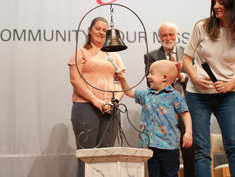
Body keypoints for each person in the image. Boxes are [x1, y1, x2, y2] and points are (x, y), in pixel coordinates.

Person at [182, 0, 235, 177]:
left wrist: (229, 85)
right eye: (214, 2)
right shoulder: (202, 26)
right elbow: (186, 59)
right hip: (197, 95)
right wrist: (195, 79)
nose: (215, 6)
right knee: (202, 151)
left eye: (221, 2)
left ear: (233, 5)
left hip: (227, 96)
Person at [68, 17, 125, 177]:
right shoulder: (81, 51)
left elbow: (122, 83)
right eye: (98, 28)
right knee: (87, 157)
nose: (101, 32)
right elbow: (75, 80)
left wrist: (114, 103)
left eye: (105, 30)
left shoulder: (115, 55)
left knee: (107, 157)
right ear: (90, 30)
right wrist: (96, 101)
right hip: (86, 107)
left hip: (111, 110)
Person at [118, 60, 193, 177]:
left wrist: (188, 132)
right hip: (151, 146)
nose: (148, 76)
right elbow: (129, 92)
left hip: (169, 147)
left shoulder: (174, 95)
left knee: (170, 174)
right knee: (153, 174)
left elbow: (185, 113)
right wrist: (122, 79)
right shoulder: (147, 94)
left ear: (164, 77)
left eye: (151, 73)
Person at [144, 22, 195, 177]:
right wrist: (169, 76)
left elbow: (194, 79)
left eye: (171, 34)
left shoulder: (187, 54)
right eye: (164, 35)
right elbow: (149, 82)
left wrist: (181, 76)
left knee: (189, 151)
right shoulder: (151, 56)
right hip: (162, 112)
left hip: (185, 106)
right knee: (163, 157)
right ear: (159, 37)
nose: (168, 38)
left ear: (176, 35)